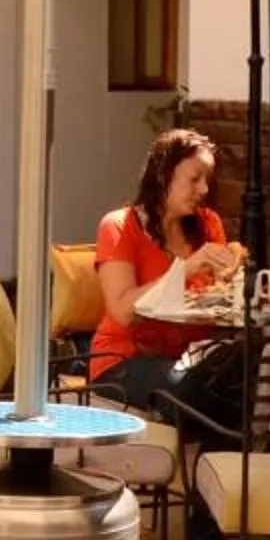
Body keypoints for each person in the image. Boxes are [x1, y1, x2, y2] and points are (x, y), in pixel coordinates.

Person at [88, 128, 242, 411]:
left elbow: (221, 297)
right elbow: (122, 311)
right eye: (194, 179)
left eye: (207, 180)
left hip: (191, 358)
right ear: (162, 175)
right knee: (192, 389)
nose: (204, 190)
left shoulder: (208, 224)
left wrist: (235, 279)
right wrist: (185, 270)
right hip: (123, 360)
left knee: (249, 375)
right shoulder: (119, 226)